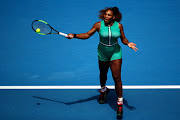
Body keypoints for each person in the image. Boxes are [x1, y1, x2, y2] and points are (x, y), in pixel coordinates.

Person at [66, 7, 138, 116]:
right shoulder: (98, 25)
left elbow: (123, 38)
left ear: (113, 17)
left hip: (115, 52)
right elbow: (87, 35)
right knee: (103, 73)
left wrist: (128, 43)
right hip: (102, 52)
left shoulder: (119, 26)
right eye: (105, 14)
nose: (105, 16)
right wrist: (74, 35)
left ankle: (119, 102)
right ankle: (103, 90)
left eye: (109, 15)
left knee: (117, 77)